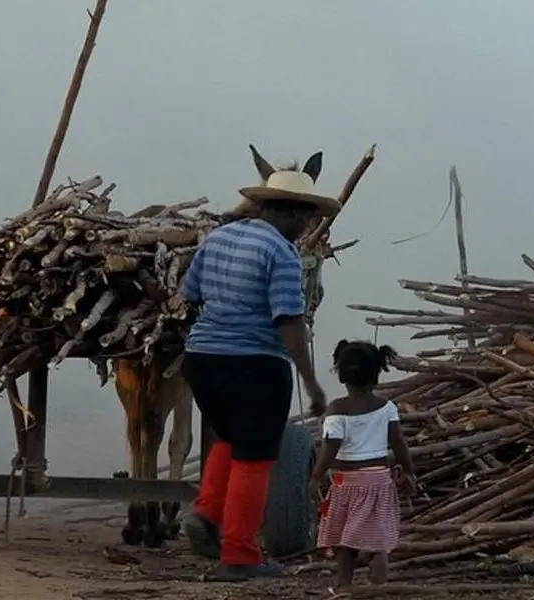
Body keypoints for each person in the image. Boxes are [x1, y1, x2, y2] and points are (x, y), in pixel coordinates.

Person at [178, 150, 339, 582]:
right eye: (303, 214)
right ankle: (240, 554)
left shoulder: (217, 238)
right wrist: (310, 381)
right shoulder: (283, 254)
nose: (306, 224)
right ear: (282, 210)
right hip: (254, 364)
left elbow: (188, 292)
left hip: (202, 360)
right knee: (255, 458)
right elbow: (288, 321)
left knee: (229, 439)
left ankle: (207, 512)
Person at [310, 339, 416, 589]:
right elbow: (398, 442)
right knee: (377, 543)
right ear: (377, 375)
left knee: (345, 543)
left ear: (341, 376)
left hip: (345, 483)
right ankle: (377, 586)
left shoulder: (336, 409)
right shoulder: (386, 407)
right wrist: (409, 471)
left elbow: (330, 448)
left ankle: (342, 587)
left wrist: (316, 475)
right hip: (379, 480)